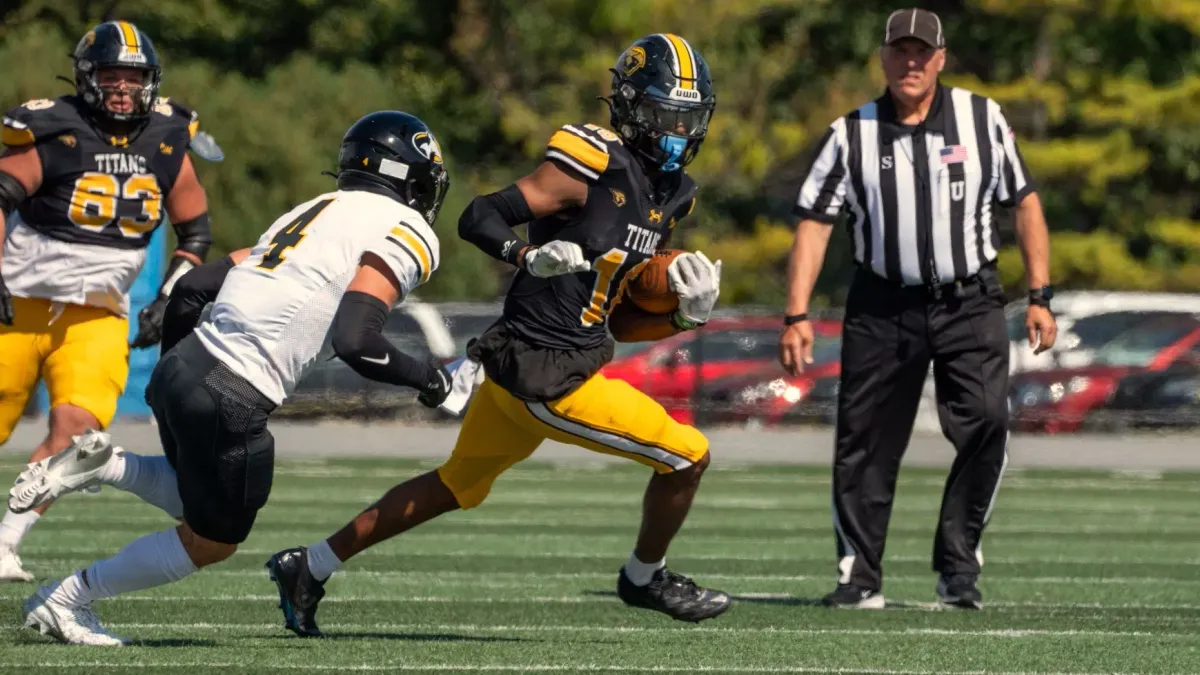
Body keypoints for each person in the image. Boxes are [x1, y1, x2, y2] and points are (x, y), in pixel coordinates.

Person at [263, 33, 730, 638]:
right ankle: (645, 577)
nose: (675, 132)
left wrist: (683, 318)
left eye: (687, 119)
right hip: (546, 373)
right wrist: (526, 254)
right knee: (689, 454)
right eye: (665, 115)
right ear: (632, 108)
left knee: (457, 483)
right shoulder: (591, 161)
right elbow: (478, 213)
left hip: (540, 360)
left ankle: (310, 565)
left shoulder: (673, 195)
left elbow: (611, 317)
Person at [11, 110, 455, 645]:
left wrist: (166, 381)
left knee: (193, 496)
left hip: (187, 365)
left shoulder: (314, 210)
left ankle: (104, 465)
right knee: (214, 539)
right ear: (408, 176)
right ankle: (66, 600)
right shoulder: (406, 230)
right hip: (235, 390)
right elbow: (357, 341)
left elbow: (196, 286)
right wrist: (431, 381)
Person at [778, 8, 1057, 610]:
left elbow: (1025, 203)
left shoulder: (983, 119)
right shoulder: (850, 133)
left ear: (940, 58)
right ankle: (859, 575)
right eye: (899, 51)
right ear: (882, 58)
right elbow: (814, 222)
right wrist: (796, 314)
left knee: (985, 421)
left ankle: (959, 566)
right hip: (882, 304)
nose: (910, 61)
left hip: (970, 298)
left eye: (920, 51)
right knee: (866, 439)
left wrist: (1040, 296)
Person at [0, 20, 218, 582]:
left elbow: (195, 230)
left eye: (134, 77)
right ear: (86, 78)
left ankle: (4, 541)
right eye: (111, 75)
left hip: (97, 311)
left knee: (77, 431)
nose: (123, 87)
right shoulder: (54, 125)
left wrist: (167, 295)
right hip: (19, 301)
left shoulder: (169, 134)